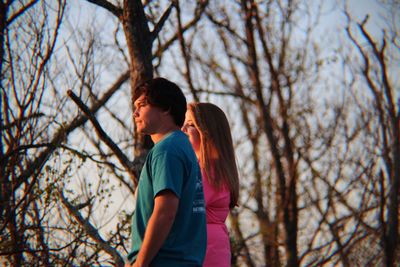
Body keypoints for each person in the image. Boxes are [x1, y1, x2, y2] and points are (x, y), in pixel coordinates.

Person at [126, 78, 207, 267]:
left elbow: (165, 211)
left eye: (143, 105)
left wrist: (140, 264)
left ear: (166, 108)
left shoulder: (167, 150)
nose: (135, 113)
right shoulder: (181, 146)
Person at [182, 102, 240, 267]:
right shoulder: (212, 169)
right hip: (208, 247)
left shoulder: (209, 171)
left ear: (207, 132)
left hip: (204, 251)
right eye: (183, 124)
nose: (182, 130)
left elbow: (181, 210)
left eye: (190, 125)